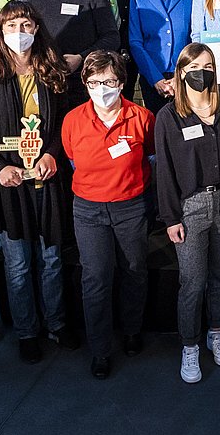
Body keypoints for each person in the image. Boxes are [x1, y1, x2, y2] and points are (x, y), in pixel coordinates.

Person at [0, 0, 79, 364]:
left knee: (52, 259)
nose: (20, 32)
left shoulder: (52, 69)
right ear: (0, 30)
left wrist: (53, 155)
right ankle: (27, 330)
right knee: (18, 264)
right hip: (8, 182)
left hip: (47, 178)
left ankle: (57, 324)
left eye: (26, 24)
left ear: (37, 29)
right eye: (12, 25)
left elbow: (67, 121)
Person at [60, 50, 156, 380]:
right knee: (96, 278)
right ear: (85, 83)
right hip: (88, 210)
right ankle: (100, 348)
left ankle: (131, 329)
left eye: (110, 81)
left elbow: (152, 156)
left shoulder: (142, 117)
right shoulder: (73, 120)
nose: (103, 88)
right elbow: (72, 157)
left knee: (134, 271)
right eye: (95, 81)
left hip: (131, 207)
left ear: (122, 82)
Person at [154, 44, 220, 385]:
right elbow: (164, 171)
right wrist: (171, 217)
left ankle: (215, 332)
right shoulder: (168, 116)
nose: (201, 72)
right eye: (193, 66)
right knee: (192, 281)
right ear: (181, 71)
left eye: (207, 65)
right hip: (189, 208)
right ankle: (190, 344)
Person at [129, 0, 193, 115]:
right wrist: (155, 78)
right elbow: (135, 42)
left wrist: (181, 76)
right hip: (152, 78)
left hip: (185, 76)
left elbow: (196, 37)